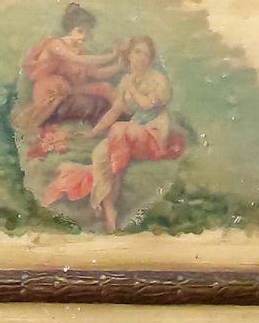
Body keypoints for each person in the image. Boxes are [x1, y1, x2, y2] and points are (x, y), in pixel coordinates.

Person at [43, 35, 186, 233]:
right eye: (137, 52)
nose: (142, 57)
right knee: (99, 155)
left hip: (152, 133)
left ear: (151, 58)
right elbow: (114, 112)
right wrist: (93, 133)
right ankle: (111, 221)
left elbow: (146, 104)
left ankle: (115, 168)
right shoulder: (126, 80)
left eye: (146, 54)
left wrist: (132, 88)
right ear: (129, 55)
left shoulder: (157, 80)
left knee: (118, 132)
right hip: (132, 133)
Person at [13, 2, 121, 135]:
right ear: (69, 28)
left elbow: (98, 73)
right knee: (58, 87)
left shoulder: (80, 52)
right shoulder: (56, 45)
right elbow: (76, 60)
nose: (84, 36)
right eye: (80, 31)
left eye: (87, 32)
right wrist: (112, 55)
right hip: (49, 89)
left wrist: (119, 65)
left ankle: (122, 120)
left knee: (105, 87)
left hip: (68, 90)